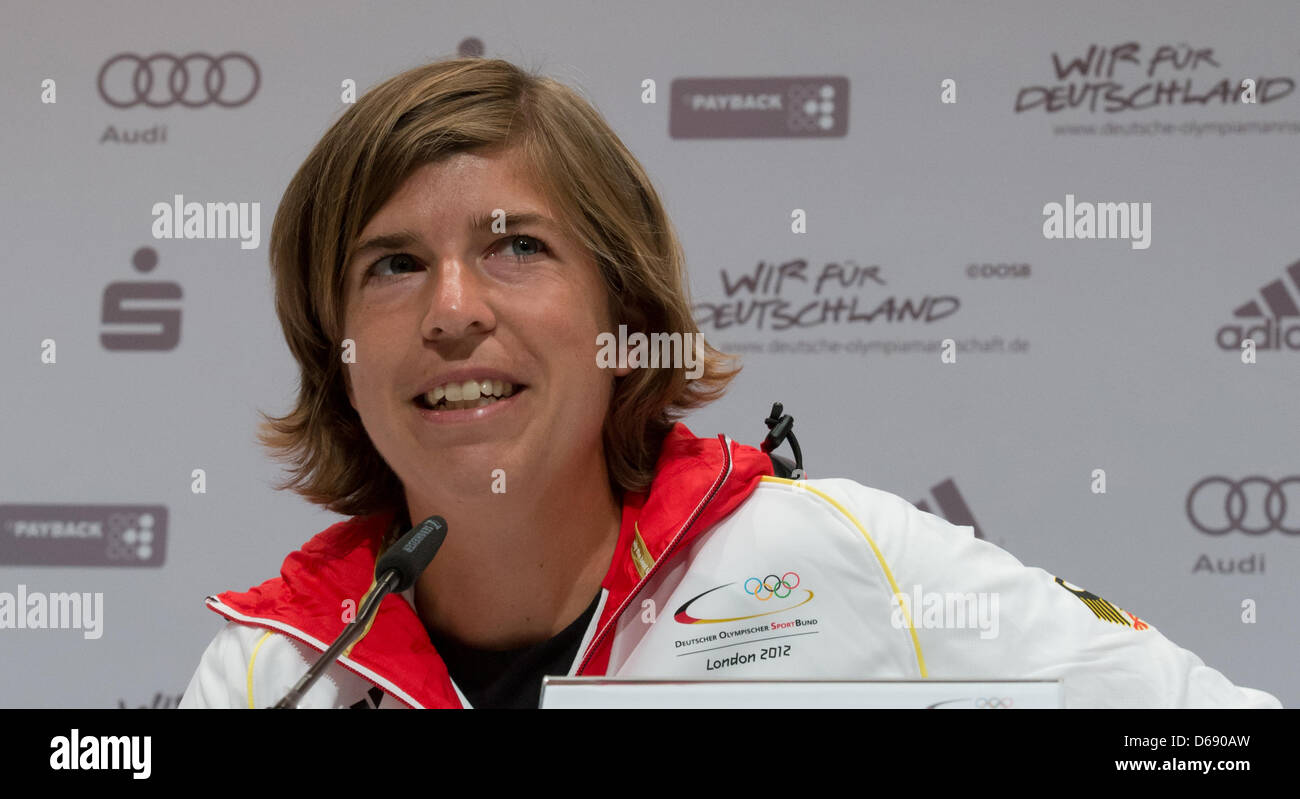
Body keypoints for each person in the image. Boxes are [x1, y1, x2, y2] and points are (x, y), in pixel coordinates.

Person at [178, 56, 1280, 709]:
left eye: (518, 247)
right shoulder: (268, 673)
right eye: (394, 265)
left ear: (625, 315)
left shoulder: (840, 556)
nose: (454, 308)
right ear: (337, 354)